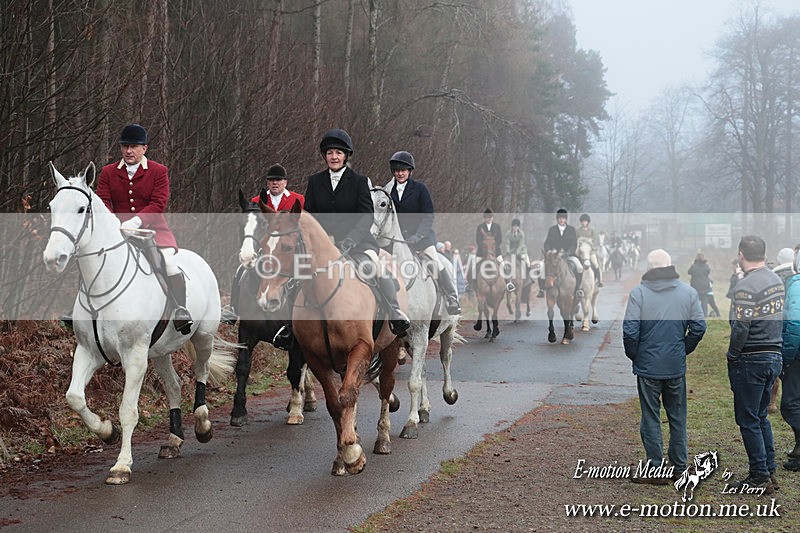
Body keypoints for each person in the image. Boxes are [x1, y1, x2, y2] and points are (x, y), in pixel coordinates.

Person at [61, 123, 192, 334]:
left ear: (144, 148)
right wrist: (113, 224)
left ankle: (180, 310)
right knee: (90, 259)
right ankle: (78, 311)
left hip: (152, 230)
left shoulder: (159, 171)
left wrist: (137, 221)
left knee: (169, 264)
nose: (128, 151)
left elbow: (158, 203)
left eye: (133, 146)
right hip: (116, 230)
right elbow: (102, 203)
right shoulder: (108, 172)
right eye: (125, 146)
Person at [290, 128, 409, 344]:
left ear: (346, 156)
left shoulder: (359, 181)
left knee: (378, 269)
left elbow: (366, 217)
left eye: (338, 153)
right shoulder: (315, 181)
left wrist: (353, 238)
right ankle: (290, 326)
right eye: (329, 153)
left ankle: (395, 313)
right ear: (325, 156)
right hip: (322, 247)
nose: (334, 157)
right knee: (296, 275)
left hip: (358, 244)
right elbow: (308, 216)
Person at [623, 249, 706, 484]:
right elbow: (699, 327)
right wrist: (682, 349)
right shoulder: (688, 293)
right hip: (675, 365)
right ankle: (680, 467)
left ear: (648, 268)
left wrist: (636, 357)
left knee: (650, 416)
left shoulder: (638, 293)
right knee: (677, 417)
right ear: (670, 266)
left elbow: (630, 332)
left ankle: (655, 469)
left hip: (648, 366)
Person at [726, 235, 784, 493]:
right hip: (775, 354)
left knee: (748, 419)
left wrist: (732, 354)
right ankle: (769, 469)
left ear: (741, 255)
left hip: (751, 357)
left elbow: (741, 326)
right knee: (761, 417)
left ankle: (759, 475)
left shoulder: (745, 286)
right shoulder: (777, 280)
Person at [221, 164, 305, 325]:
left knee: (302, 274)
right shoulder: (257, 201)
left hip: (287, 247)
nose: (275, 183)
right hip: (265, 246)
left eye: (279, 180)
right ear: (267, 183)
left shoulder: (297, 199)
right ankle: (233, 309)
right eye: (271, 180)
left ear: (285, 182)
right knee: (241, 270)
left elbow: (300, 224)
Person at [386, 150, 460, 314]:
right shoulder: (388, 192)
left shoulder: (420, 189)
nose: (400, 173)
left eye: (403, 170)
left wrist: (418, 235)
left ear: (409, 171)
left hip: (421, 239)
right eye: (397, 170)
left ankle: (452, 297)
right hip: (398, 240)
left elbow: (428, 215)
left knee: (434, 261)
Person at [782, 247, 800, 471]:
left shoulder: (796, 286)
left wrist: (786, 356)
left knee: (790, 404)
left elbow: (795, 324)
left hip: (796, 356)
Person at [541, 209, 583, 299]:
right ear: (557, 219)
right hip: (554, 255)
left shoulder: (571, 229)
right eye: (560, 218)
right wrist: (548, 251)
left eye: (563, 218)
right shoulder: (552, 229)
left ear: (566, 219)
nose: (561, 220)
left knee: (579, 267)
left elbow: (574, 244)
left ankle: (578, 289)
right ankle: (541, 289)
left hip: (568, 255)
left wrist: (568, 253)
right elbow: (547, 243)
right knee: (542, 266)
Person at [475, 208, 513, 291]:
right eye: (487, 217)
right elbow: (478, 240)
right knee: (474, 266)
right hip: (482, 252)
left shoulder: (497, 226)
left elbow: (499, 239)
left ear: (492, 218)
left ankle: (509, 283)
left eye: (490, 217)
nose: (489, 219)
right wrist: (485, 249)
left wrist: (492, 249)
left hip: (495, 251)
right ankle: (471, 284)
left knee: (503, 265)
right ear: (484, 218)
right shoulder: (480, 227)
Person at [576, 213, 603, 287]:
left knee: (595, 263)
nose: (583, 223)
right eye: (582, 221)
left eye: (585, 221)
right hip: (581, 250)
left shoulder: (592, 230)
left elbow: (593, 241)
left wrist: (585, 240)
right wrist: (586, 240)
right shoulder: (577, 230)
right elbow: (577, 240)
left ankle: (599, 280)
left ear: (588, 222)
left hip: (590, 251)